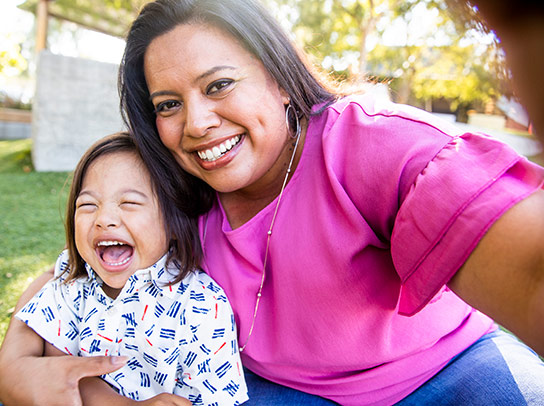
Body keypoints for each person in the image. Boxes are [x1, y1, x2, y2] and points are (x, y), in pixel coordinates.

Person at [1, 0, 544, 405]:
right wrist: (16, 364)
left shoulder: (370, 148)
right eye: (169, 104)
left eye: (218, 86)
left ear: (281, 79)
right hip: (275, 391)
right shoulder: (177, 185)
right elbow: (74, 272)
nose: (196, 124)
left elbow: (526, 267)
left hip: (452, 377)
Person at [9, 133, 248, 406]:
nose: (104, 219)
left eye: (129, 203)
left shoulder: (201, 305)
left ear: (173, 222)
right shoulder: (72, 285)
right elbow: (59, 370)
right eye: (87, 205)